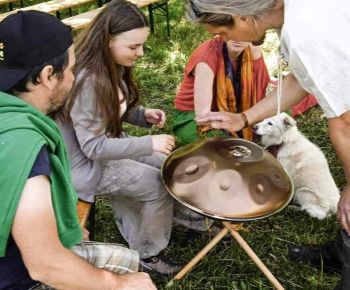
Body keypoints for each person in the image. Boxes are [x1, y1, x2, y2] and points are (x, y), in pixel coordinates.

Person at [185, 0, 350, 289]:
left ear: (242, 18)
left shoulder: (305, 32)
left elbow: (345, 122)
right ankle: (343, 251)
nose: (225, 42)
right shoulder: (296, 16)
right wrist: (244, 118)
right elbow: (300, 79)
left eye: (223, 33)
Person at [0, 10, 156, 290]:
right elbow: (46, 265)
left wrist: (63, 224)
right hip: (18, 277)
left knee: (126, 259)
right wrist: (118, 284)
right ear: (48, 76)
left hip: (18, 249)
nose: (74, 78)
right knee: (134, 275)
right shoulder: (25, 146)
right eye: (71, 69)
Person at [57, 0, 181, 275]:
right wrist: (149, 142)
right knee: (158, 184)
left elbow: (110, 108)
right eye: (134, 47)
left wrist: (141, 115)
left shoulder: (109, 63)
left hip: (107, 146)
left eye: (142, 45)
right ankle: (148, 254)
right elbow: (93, 147)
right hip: (86, 166)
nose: (141, 53)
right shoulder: (88, 79)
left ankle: (162, 221)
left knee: (165, 162)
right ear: (108, 40)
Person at [172, 36, 317, 144]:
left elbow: (261, 89)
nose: (237, 37)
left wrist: (256, 53)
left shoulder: (250, 49)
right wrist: (233, 127)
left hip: (236, 103)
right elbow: (202, 117)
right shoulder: (207, 58)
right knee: (219, 145)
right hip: (194, 116)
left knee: (280, 108)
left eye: (244, 32)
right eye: (232, 29)